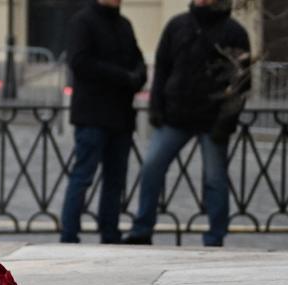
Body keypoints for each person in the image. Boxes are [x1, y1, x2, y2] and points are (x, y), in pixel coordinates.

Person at [124, 0, 251, 246]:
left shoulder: (234, 31)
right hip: (175, 116)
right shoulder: (177, 25)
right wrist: (156, 108)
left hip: (214, 120)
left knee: (215, 179)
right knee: (151, 167)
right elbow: (162, 68)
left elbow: (241, 83)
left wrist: (225, 123)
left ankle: (215, 237)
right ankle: (142, 230)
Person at [60, 0, 147, 244]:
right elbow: (80, 62)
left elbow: (137, 59)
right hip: (92, 115)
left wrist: (139, 76)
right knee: (83, 175)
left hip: (120, 116)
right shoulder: (83, 21)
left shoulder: (124, 24)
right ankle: (69, 234)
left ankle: (110, 233)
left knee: (115, 179)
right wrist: (124, 77)